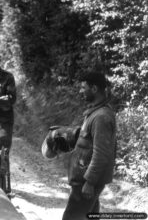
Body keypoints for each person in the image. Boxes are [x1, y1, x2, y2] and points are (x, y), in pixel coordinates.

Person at [62, 71, 116, 220]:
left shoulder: (101, 117)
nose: (80, 91)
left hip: (86, 181)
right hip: (84, 179)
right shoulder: (94, 113)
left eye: (83, 87)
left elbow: (101, 153)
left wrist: (90, 182)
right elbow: (88, 143)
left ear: (94, 89)